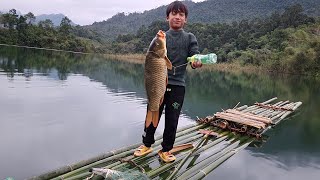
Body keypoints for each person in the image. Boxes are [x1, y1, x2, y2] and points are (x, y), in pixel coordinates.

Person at [134, 0, 202, 163]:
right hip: (157, 84)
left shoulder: (189, 37)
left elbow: (194, 55)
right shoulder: (162, 37)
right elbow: (151, 58)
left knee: (172, 119)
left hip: (177, 86)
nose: (177, 17)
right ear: (167, 17)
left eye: (181, 14)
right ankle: (147, 144)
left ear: (185, 19)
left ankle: (166, 149)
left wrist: (196, 61)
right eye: (174, 14)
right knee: (152, 111)